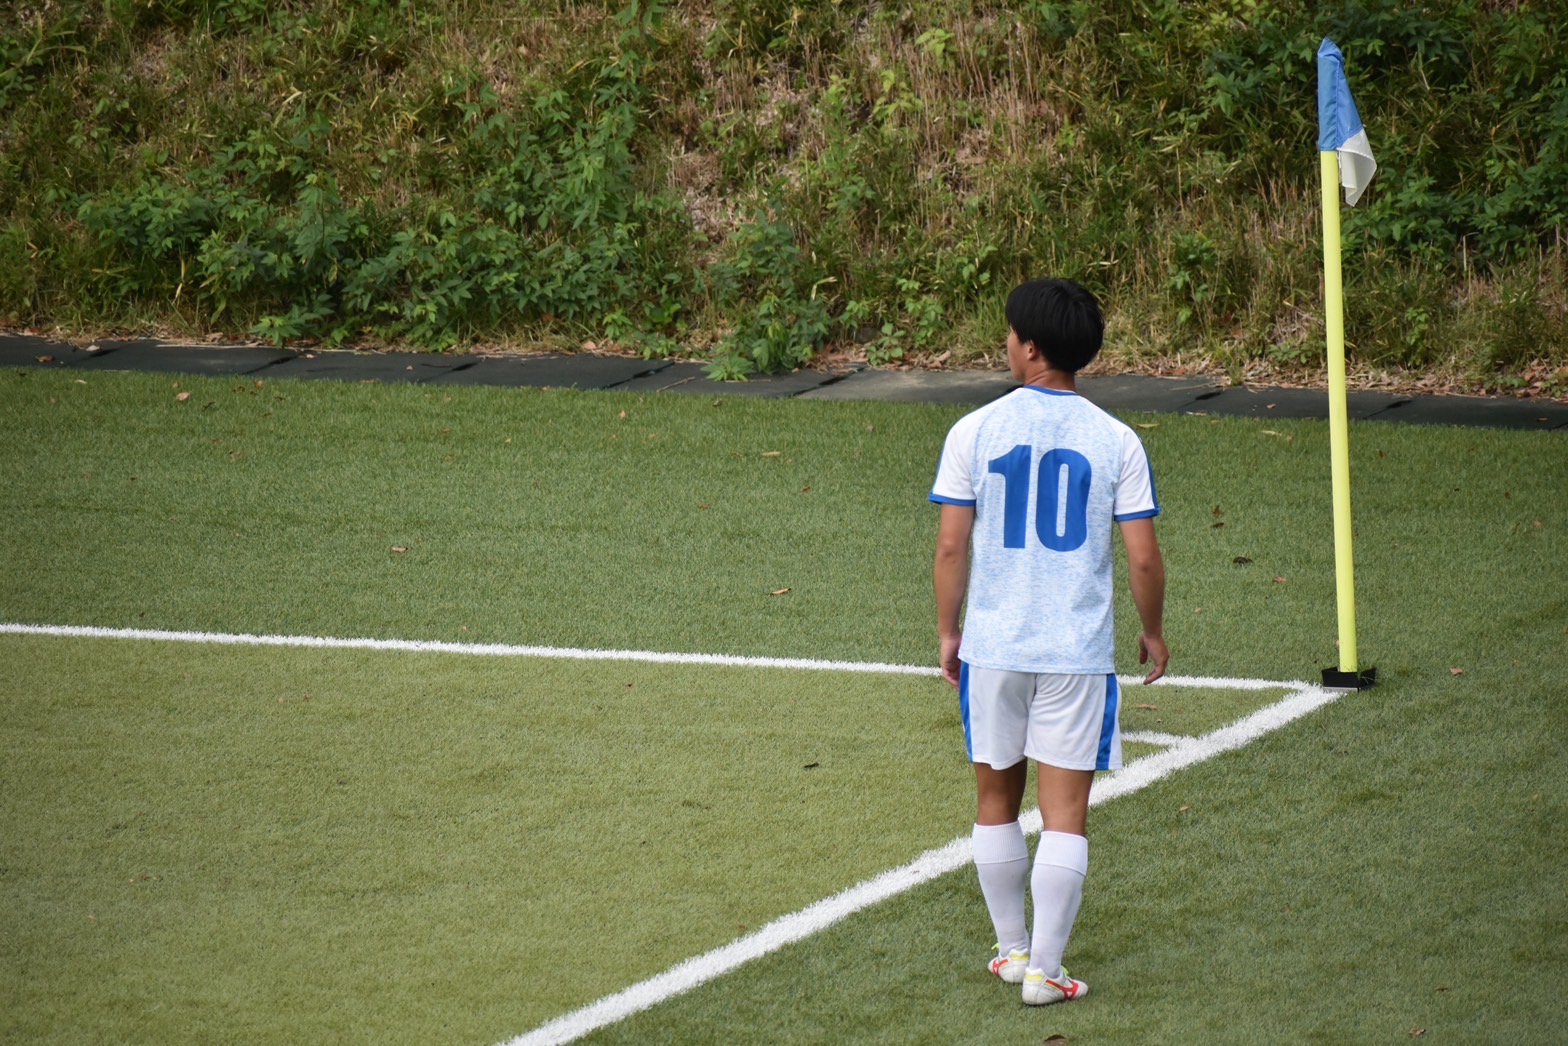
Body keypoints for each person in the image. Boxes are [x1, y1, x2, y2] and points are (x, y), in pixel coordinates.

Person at [929, 276, 1168, 1006]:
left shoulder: (973, 431)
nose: (1005, 343)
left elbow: (951, 546)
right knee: (1065, 815)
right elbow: (1143, 557)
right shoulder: (1117, 440)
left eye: (1009, 334)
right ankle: (1047, 971)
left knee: (994, 800)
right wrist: (1152, 630)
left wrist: (948, 630)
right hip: (1076, 655)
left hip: (993, 650)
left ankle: (1010, 951)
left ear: (1030, 348)